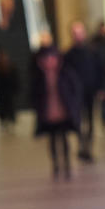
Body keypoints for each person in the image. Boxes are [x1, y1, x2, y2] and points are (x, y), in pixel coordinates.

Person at [31, 35, 81, 180]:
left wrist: (74, 105)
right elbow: (35, 94)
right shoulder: (40, 76)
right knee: (52, 139)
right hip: (49, 112)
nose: (49, 61)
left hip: (63, 111)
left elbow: (75, 89)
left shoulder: (65, 73)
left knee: (64, 138)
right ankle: (56, 165)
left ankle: (67, 164)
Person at [63, 21, 105, 163]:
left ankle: (88, 148)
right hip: (75, 94)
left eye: (80, 33)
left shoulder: (92, 52)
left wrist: (101, 88)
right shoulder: (69, 55)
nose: (78, 36)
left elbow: (100, 71)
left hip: (90, 91)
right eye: (75, 33)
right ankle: (82, 145)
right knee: (78, 120)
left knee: (91, 120)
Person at [0, 48, 19, 129]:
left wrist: (15, 88)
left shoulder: (11, 67)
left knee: (10, 106)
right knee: (3, 108)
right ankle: (4, 120)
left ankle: (11, 120)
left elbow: (16, 79)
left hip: (9, 92)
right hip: (1, 93)